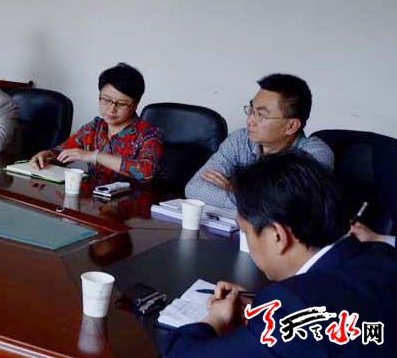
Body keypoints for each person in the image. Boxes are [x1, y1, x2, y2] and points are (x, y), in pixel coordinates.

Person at [163, 152, 396, 358]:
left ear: (277, 236)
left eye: (245, 232)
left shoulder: (293, 309)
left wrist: (216, 320)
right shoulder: (383, 255)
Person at [185, 73, 333, 209]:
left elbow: (285, 207)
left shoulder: (315, 154)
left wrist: (236, 189)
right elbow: (195, 188)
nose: (249, 121)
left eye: (261, 115)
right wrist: (253, 200)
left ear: (291, 126)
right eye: (251, 110)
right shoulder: (240, 140)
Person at [30, 63, 162, 187]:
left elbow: (147, 172)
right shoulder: (94, 128)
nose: (111, 109)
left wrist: (95, 156)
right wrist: (46, 156)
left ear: (135, 104)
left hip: (133, 201)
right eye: (106, 100)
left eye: (121, 104)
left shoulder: (148, 134)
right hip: (94, 199)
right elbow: (61, 152)